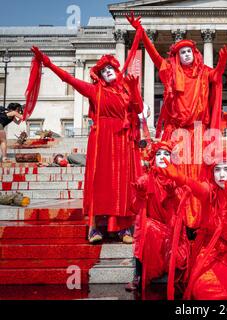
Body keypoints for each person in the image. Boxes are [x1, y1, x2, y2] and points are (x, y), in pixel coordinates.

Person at [30, 29, 144, 245]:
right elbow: (70, 79)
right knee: (102, 182)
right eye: (104, 70)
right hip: (102, 139)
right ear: (99, 76)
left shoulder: (126, 91)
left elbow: (137, 109)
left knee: (122, 183)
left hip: (122, 140)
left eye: (111, 68)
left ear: (117, 71)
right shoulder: (95, 92)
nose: (108, 72)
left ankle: (121, 226)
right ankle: (95, 226)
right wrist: (49, 63)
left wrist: (134, 88)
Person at [127, 14, 227, 230]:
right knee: (176, 176)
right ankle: (178, 219)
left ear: (195, 54)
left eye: (189, 51)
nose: (186, 54)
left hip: (197, 133)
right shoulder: (171, 72)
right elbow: (155, 57)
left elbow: (217, 77)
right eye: (182, 52)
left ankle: (197, 220)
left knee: (198, 175)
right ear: (178, 56)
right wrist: (142, 33)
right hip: (176, 133)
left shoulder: (204, 73)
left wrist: (222, 62)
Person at [157, 151, 227, 300]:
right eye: (217, 170)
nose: (221, 174)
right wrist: (180, 177)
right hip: (208, 253)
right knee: (203, 289)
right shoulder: (209, 190)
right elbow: (196, 186)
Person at [127, 141, 190, 299]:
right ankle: (138, 274)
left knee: (149, 228)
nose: (162, 157)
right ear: (153, 158)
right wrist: (140, 195)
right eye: (159, 154)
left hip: (173, 230)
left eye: (166, 154)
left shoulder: (178, 180)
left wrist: (172, 195)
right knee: (146, 227)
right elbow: (134, 209)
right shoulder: (145, 180)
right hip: (151, 229)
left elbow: (183, 211)